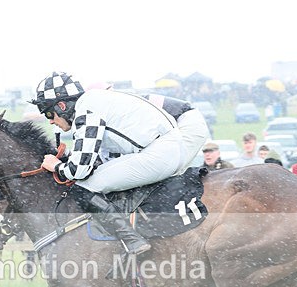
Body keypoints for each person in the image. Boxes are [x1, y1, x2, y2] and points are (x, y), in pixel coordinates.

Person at [34, 71, 190, 256]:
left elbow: (79, 171)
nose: (51, 120)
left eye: (49, 113)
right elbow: (99, 160)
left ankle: (132, 239)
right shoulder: (95, 101)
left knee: (83, 188)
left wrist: (56, 166)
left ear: (61, 105)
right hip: (169, 148)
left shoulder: (86, 110)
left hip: (159, 153)